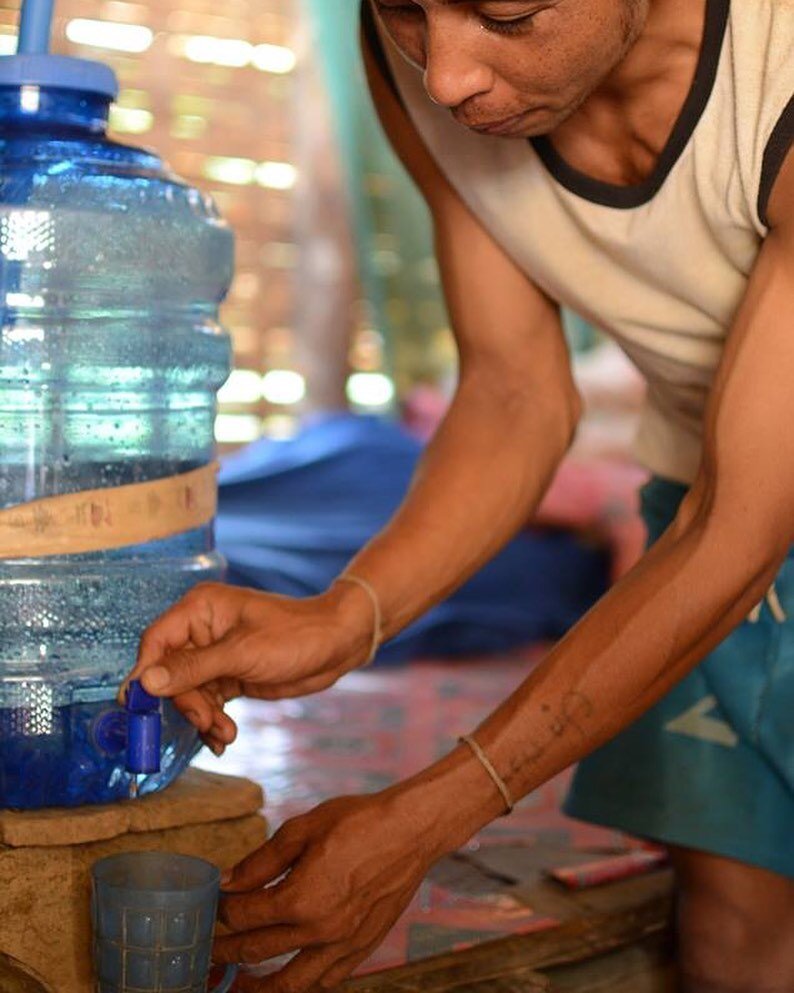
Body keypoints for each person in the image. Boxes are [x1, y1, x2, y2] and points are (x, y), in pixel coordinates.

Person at [124, 1, 794, 990]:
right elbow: (515, 392)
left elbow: (737, 527)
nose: (445, 76)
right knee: (734, 915)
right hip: (701, 498)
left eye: (508, 14)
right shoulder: (423, 68)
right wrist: (347, 614)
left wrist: (430, 814)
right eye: (403, 10)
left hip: (728, 523)